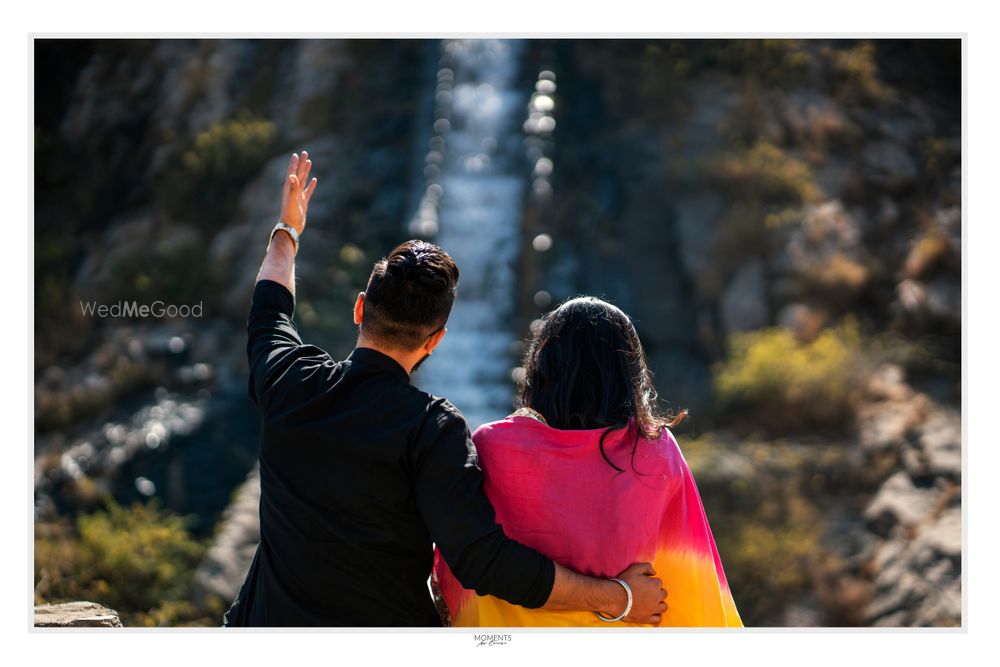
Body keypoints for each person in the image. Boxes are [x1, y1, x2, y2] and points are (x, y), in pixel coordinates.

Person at [222, 151, 668, 626]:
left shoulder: (291, 381)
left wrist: (287, 231)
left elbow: (270, 308)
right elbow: (484, 561)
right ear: (436, 340)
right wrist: (616, 597)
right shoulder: (431, 429)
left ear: (359, 308)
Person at [432, 296, 743, 627]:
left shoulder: (492, 446)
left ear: (543, 367)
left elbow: (461, 565)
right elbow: (690, 584)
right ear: (629, 373)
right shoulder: (655, 450)